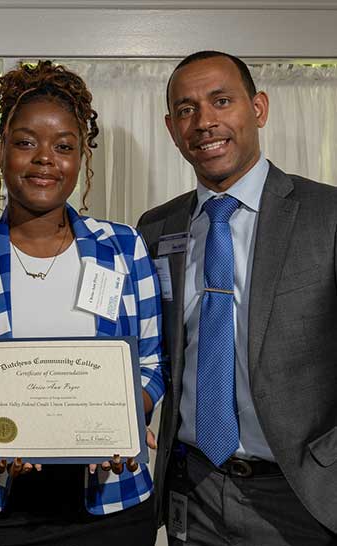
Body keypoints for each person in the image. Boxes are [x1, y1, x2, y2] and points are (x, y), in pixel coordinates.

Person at [0, 60, 165, 546]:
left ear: (81, 158)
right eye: (26, 142)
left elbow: (151, 365)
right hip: (1, 504)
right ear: (2, 152)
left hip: (113, 502)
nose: (44, 159)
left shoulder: (122, 247)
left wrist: (121, 426)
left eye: (64, 146)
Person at [137, 50, 337, 544]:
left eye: (221, 101)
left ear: (259, 108)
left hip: (305, 497)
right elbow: (147, 346)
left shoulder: (327, 216)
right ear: (171, 127)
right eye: (186, 110)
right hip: (195, 491)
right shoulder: (156, 228)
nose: (204, 122)